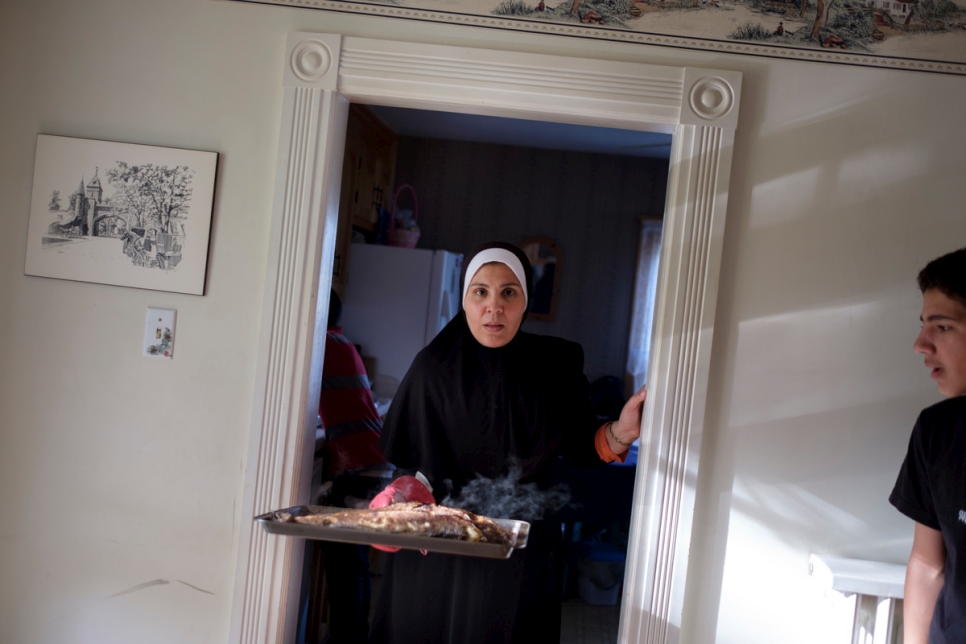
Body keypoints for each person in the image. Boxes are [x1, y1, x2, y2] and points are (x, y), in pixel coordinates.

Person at [367, 241, 648, 644]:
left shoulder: (556, 366)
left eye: (508, 293)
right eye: (480, 292)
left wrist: (621, 431)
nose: (494, 307)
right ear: (465, 300)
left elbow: (587, 445)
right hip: (436, 553)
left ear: (524, 302)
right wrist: (399, 495)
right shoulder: (432, 368)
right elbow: (412, 465)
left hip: (519, 552)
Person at [889, 246, 966, 644]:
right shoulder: (935, 432)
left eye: (942, 326)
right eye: (924, 325)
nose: (921, 344)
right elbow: (926, 565)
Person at [316, 290, 388, 644]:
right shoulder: (341, 343)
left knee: (345, 567)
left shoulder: (320, 347)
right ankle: (352, 636)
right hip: (368, 463)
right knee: (353, 563)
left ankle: (347, 639)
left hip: (357, 467)